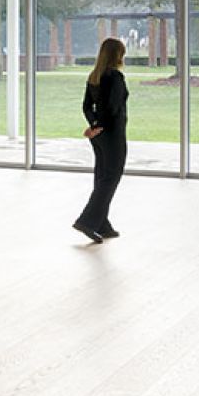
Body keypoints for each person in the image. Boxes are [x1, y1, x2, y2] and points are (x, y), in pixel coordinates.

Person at [72, 37, 129, 243]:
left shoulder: (94, 76)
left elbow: (87, 106)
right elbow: (112, 108)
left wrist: (93, 126)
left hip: (99, 136)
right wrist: (99, 126)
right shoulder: (115, 77)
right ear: (117, 55)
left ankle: (102, 224)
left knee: (102, 176)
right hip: (112, 134)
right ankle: (87, 221)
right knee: (111, 177)